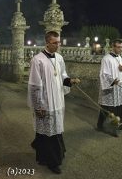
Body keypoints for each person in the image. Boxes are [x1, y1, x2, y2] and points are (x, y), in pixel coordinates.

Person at [28, 31, 80, 174]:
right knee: (48, 133)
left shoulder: (59, 58)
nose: (58, 45)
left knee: (53, 130)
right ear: (47, 43)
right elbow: (35, 86)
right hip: (45, 103)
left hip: (57, 100)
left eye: (59, 42)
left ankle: (44, 152)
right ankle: (52, 161)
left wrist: (70, 80)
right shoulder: (37, 60)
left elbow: (62, 76)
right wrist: (39, 106)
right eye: (55, 42)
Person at [97, 39, 122, 133]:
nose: (120, 49)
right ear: (113, 47)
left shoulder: (119, 57)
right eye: (118, 47)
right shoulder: (106, 59)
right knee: (106, 109)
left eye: (121, 47)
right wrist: (112, 81)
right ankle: (100, 126)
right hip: (110, 88)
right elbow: (103, 74)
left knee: (120, 108)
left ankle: (117, 127)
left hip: (119, 88)